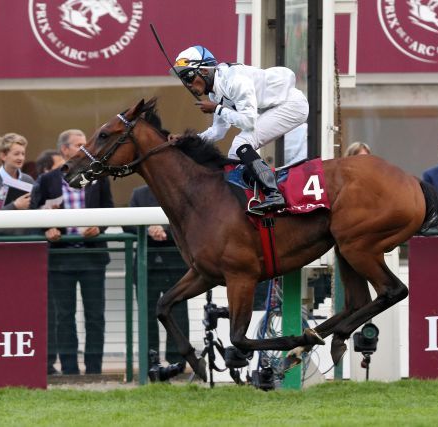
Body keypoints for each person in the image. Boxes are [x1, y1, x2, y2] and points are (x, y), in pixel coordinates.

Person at [172, 45, 309, 213]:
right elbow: (218, 131)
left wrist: (217, 109)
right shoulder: (215, 94)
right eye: (183, 79)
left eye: (188, 76)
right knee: (234, 153)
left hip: (291, 105)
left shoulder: (234, 81)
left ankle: (274, 194)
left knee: (241, 144)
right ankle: (255, 195)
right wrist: (186, 141)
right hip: (275, 107)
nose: (188, 84)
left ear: (205, 71)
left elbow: (249, 122)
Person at [30, 129, 114, 375]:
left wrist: (99, 227)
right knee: (64, 316)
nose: (84, 147)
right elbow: (35, 210)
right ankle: (69, 370)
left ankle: (94, 370)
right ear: (64, 150)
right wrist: (49, 228)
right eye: (79, 144)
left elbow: (109, 208)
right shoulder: (48, 180)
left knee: (95, 316)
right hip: (61, 256)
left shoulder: (96, 175)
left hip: (92, 256)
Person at [124, 185, 190, 373]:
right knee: (147, 314)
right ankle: (149, 361)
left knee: (178, 314)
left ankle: (178, 360)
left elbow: (187, 220)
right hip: (147, 267)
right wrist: (148, 230)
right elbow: (127, 223)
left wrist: (165, 230)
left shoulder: (177, 190)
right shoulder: (139, 194)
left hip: (175, 264)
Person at [0, 132, 35, 236]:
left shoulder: (29, 180)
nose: (21, 158)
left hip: (24, 242)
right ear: (3, 156)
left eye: (23, 154)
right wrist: (14, 206)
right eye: (16, 154)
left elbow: (35, 211)